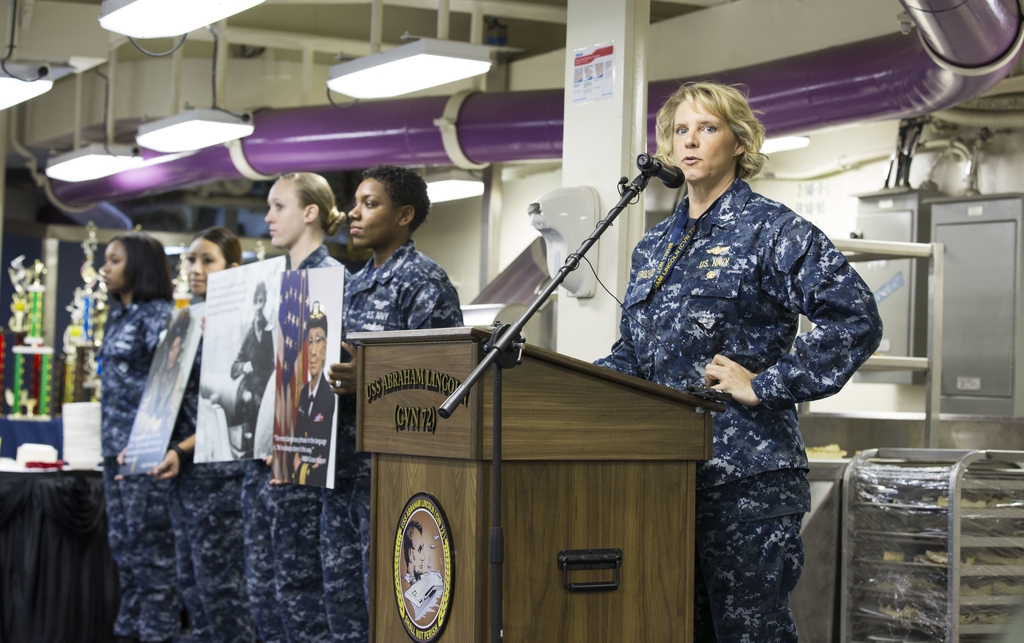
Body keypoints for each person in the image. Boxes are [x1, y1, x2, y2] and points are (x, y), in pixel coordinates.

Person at [593, 82, 883, 642]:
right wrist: (566, 383)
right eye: (680, 130)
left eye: (707, 128)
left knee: (751, 635)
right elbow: (634, 351)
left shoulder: (772, 230)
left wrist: (768, 384)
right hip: (664, 476)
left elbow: (856, 319)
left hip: (748, 481)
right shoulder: (654, 246)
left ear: (740, 142)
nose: (690, 142)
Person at [323, 164, 463, 641]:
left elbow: (446, 383)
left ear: (404, 215)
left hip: (392, 477)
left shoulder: (426, 283)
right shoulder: (347, 285)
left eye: (370, 203)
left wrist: (372, 376)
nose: (353, 214)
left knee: (386, 606)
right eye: (354, 202)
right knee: (342, 605)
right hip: (339, 469)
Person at [243, 171, 345, 643]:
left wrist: (291, 443)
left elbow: (325, 383)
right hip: (264, 461)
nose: (268, 216)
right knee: (265, 599)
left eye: (278, 206)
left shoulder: (332, 282)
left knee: (301, 600)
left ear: (310, 213)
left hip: (302, 469)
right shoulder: (276, 284)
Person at [149, 227, 255, 643]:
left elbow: (231, 406)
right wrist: (148, 444)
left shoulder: (240, 325)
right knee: (192, 587)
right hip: (182, 474)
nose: (194, 269)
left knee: (224, 592)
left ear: (231, 267)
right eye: (190, 259)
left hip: (219, 477)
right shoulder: (186, 319)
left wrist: (180, 448)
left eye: (206, 260)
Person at [99, 232, 181, 643]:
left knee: (152, 562)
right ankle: (127, 632)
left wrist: (147, 444)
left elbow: (168, 386)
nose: (105, 268)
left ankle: (156, 634)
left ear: (138, 265)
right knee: (124, 556)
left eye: (114, 260)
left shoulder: (159, 316)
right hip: (113, 453)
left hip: (144, 455)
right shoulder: (119, 314)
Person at [293, 302, 335, 486]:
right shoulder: (303, 393)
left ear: (325, 349)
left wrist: (301, 468)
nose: (313, 350)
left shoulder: (329, 396)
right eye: (309, 341)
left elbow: (322, 458)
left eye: (318, 340)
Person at [230, 281, 274, 458]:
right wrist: (243, 367)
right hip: (251, 387)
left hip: (268, 386)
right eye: (256, 302)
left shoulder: (271, 329)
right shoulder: (249, 333)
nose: (258, 306)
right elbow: (234, 367)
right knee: (247, 399)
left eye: (261, 301)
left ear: (265, 303)